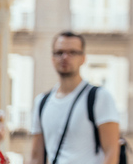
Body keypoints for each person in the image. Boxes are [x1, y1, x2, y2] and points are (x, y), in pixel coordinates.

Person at [29, 31, 120, 164]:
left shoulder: (99, 97)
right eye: (59, 52)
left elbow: (112, 153)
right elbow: (36, 157)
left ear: (83, 58)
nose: (65, 57)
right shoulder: (41, 102)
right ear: (52, 58)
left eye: (72, 52)